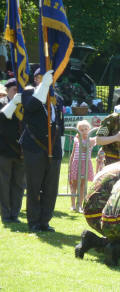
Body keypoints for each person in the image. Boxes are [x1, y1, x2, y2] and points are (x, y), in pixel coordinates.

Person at [75, 141, 120, 259]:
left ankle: (93, 240)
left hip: (90, 211)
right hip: (100, 214)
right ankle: (94, 241)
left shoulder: (112, 166)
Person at [20, 70, 64, 232]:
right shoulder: (28, 93)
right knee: (34, 186)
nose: (44, 81)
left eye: (47, 79)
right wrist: (43, 86)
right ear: (36, 79)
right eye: (40, 78)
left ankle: (45, 221)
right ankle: (33, 221)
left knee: (51, 187)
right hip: (34, 147)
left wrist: (61, 144)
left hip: (54, 148)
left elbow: (60, 123)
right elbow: (31, 106)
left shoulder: (56, 98)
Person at [0, 78, 24, 224]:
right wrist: (13, 103)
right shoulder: (2, 104)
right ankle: (6, 214)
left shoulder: (24, 106)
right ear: (8, 90)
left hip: (21, 152)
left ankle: (15, 213)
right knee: (4, 184)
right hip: (4, 151)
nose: (17, 93)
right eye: (14, 89)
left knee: (18, 185)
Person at [69, 120, 96, 212]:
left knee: (83, 185)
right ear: (78, 131)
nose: (84, 131)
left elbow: (84, 149)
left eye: (86, 129)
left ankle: (80, 205)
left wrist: (86, 141)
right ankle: (73, 205)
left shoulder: (91, 140)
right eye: (81, 130)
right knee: (74, 184)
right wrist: (70, 164)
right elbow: (73, 153)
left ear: (89, 130)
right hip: (76, 163)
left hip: (86, 163)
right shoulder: (76, 140)